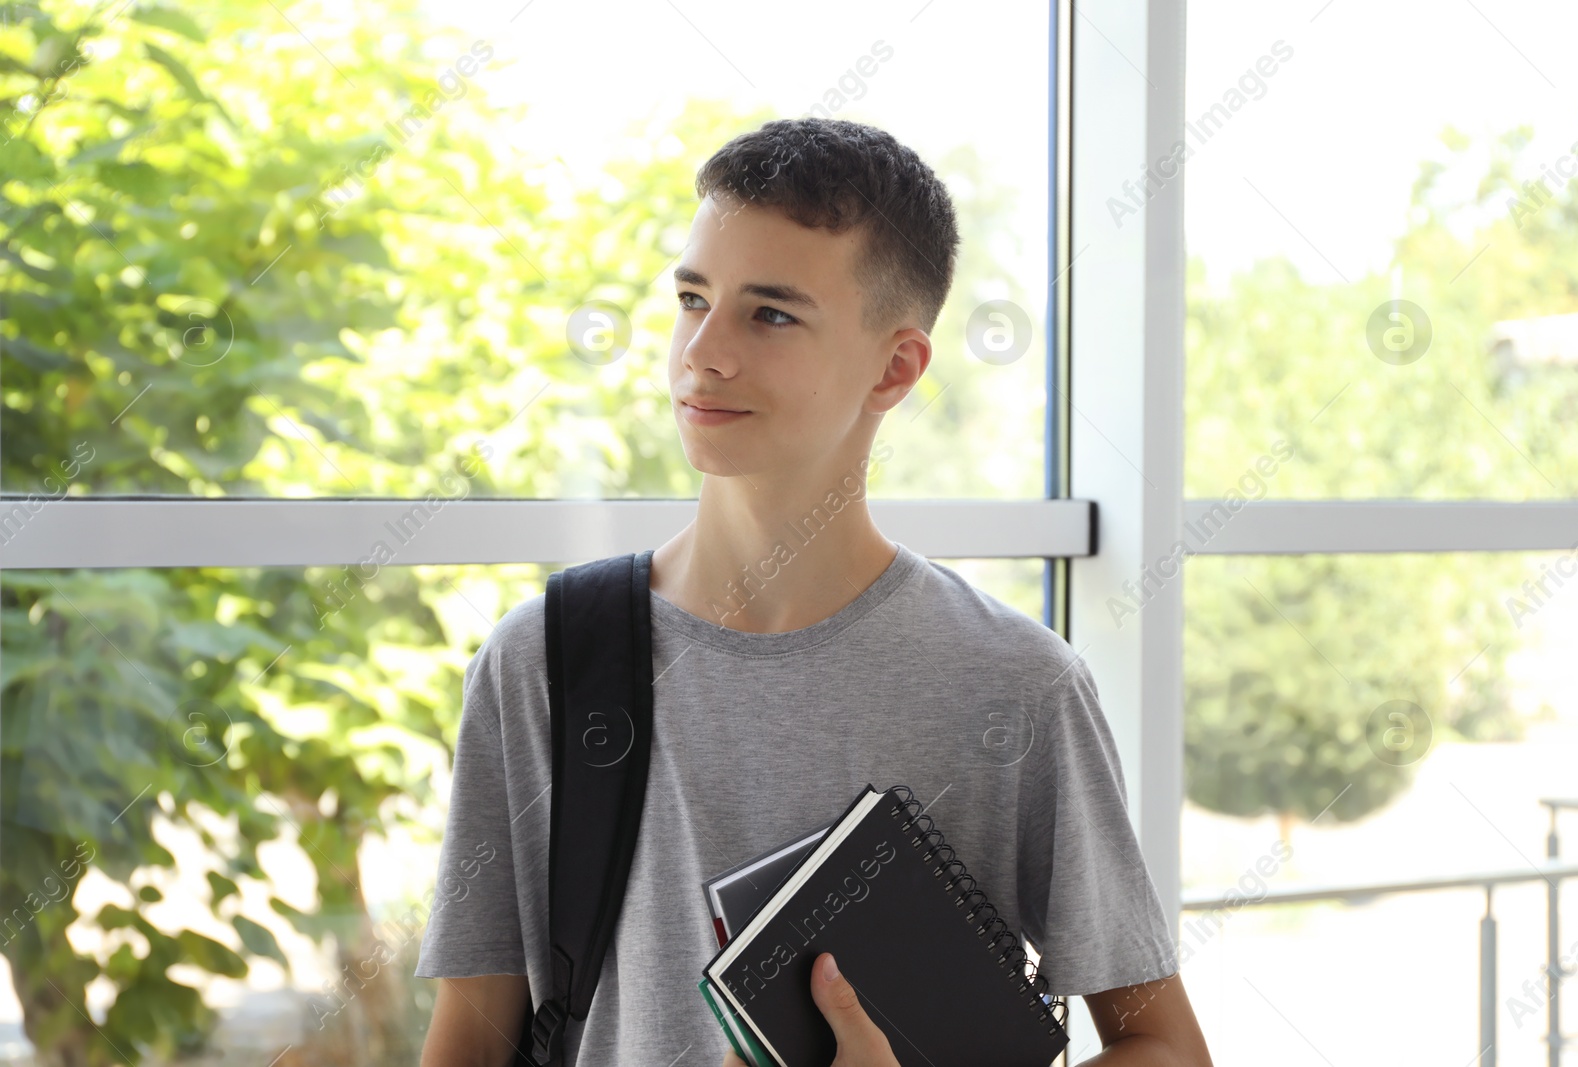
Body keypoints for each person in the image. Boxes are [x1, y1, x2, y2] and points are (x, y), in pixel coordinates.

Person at [416, 116, 1213, 1067]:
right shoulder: (543, 659)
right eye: (691, 298)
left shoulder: (1015, 687)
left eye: (771, 313)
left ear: (896, 367)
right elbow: (471, 1036)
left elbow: (1162, 1046)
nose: (701, 354)